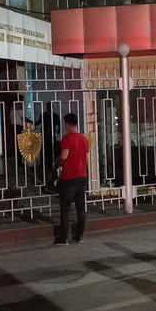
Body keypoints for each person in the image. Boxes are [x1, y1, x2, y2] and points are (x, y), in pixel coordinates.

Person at [55, 113, 89, 245]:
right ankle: (79, 236)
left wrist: (57, 160)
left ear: (68, 124)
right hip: (82, 176)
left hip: (69, 177)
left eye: (65, 124)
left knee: (66, 209)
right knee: (81, 208)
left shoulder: (67, 139)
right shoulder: (84, 139)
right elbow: (85, 157)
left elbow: (64, 156)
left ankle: (63, 238)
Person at [35, 105, 62, 190]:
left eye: (50, 107)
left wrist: (58, 130)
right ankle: (44, 168)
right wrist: (29, 121)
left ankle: (50, 168)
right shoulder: (43, 115)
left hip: (51, 137)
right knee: (44, 153)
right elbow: (38, 123)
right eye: (48, 107)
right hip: (44, 137)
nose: (49, 109)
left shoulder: (55, 116)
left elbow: (58, 126)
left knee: (51, 152)